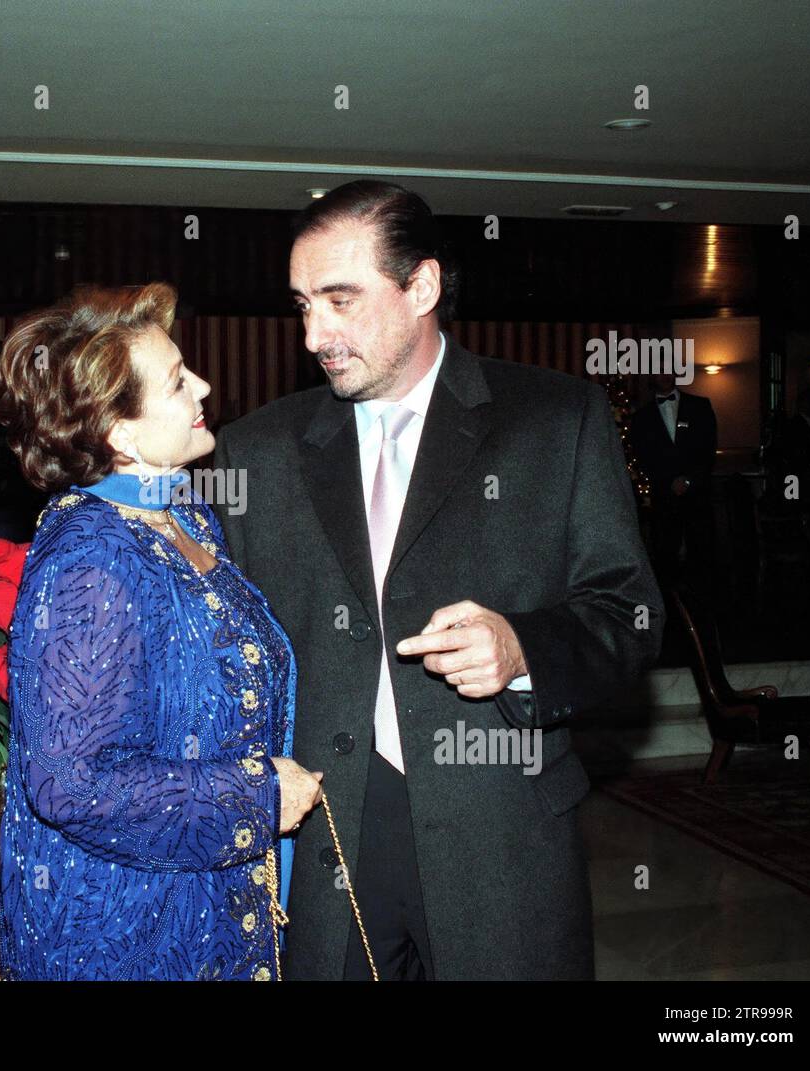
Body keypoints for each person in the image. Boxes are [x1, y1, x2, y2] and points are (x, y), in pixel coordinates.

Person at [212, 180, 663, 981]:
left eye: (341, 300)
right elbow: (221, 646)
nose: (316, 332)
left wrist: (524, 647)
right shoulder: (257, 451)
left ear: (422, 286)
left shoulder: (557, 421)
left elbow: (628, 614)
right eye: (302, 303)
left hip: (501, 841)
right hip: (326, 836)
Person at [0, 282, 324, 980]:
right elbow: (69, 783)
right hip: (126, 937)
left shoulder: (183, 516)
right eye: (176, 381)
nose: (202, 384)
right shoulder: (91, 558)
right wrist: (256, 796)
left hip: (205, 905)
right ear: (122, 433)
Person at [627, 372, 718, 586]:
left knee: (702, 559)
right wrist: (670, 482)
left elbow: (708, 448)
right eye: (659, 371)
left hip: (697, 496)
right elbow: (644, 458)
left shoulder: (700, 406)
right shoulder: (642, 417)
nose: (665, 375)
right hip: (665, 499)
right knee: (666, 563)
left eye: (668, 369)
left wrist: (689, 480)